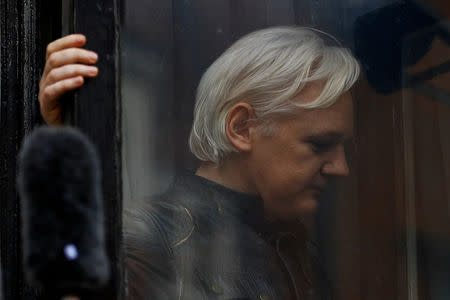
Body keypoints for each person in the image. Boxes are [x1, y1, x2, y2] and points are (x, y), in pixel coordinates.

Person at [40, 27, 360, 300]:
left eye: (342, 148)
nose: (340, 168)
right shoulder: (146, 238)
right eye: (319, 144)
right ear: (241, 128)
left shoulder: (295, 247)